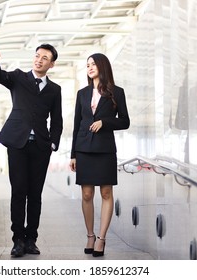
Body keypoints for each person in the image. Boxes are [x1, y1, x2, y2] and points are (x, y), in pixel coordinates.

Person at [0, 43, 63, 257]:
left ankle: (31, 239)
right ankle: (18, 239)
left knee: (35, 194)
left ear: (52, 64)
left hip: (40, 147)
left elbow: (57, 120)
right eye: (37, 56)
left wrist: (53, 144)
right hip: (17, 143)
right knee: (19, 191)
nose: (39, 60)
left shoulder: (55, 90)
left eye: (44, 58)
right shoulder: (19, 78)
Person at [69, 53, 130, 257]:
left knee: (106, 193)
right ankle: (89, 235)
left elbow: (124, 121)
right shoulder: (82, 93)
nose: (90, 67)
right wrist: (73, 155)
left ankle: (102, 239)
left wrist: (105, 122)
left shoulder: (117, 92)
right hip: (84, 148)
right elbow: (77, 124)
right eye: (87, 65)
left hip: (105, 149)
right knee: (86, 194)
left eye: (93, 64)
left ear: (103, 66)